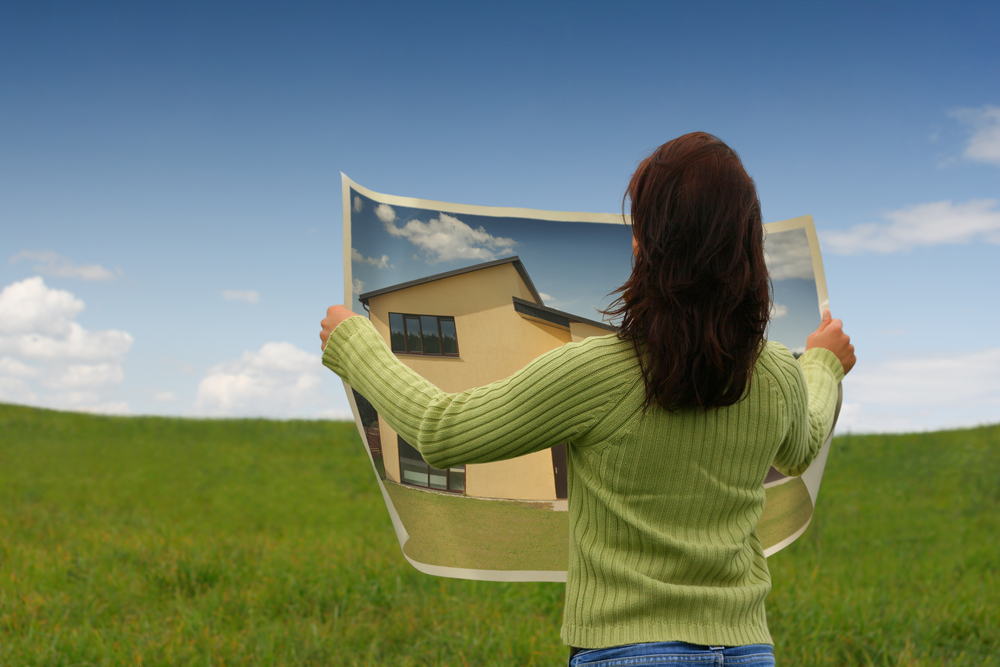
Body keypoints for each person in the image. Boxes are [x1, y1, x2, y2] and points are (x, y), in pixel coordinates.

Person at [319, 132, 855, 667]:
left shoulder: (596, 370)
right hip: (747, 653)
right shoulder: (777, 374)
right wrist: (823, 363)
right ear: (747, 250)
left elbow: (444, 429)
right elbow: (800, 447)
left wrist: (355, 343)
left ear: (646, 246)